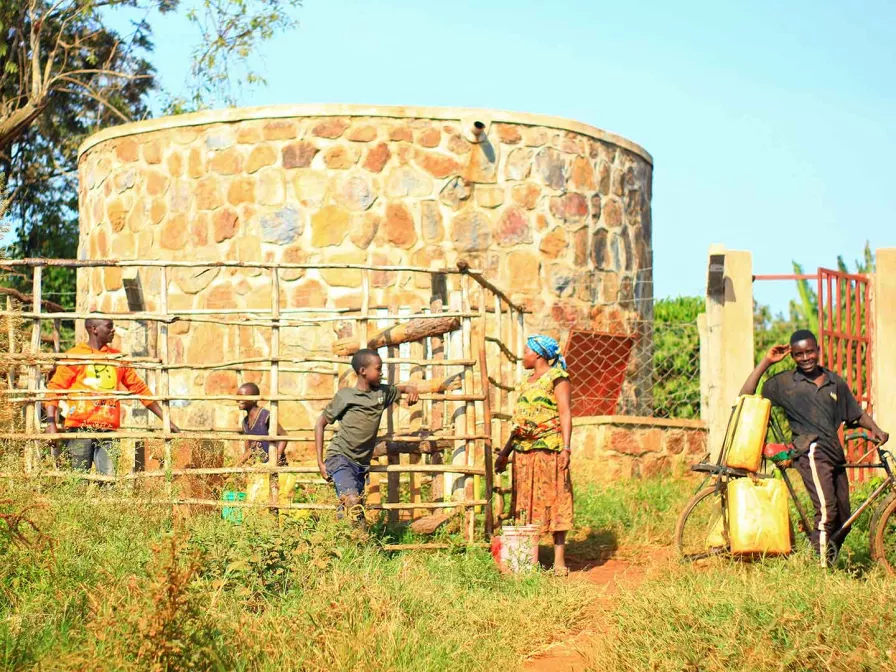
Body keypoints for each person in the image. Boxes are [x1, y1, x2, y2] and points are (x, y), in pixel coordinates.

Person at [740, 329, 888, 565]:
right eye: (799, 354)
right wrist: (767, 361)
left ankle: (820, 554)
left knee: (843, 518)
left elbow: (856, 413)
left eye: (809, 351)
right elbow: (746, 394)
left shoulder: (834, 382)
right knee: (827, 511)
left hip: (834, 452)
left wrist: (876, 429)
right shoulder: (786, 383)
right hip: (810, 451)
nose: (805, 358)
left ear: (818, 350)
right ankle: (819, 575)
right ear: (793, 357)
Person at [45, 318, 179, 475]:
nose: (113, 330)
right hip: (79, 428)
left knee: (110, 480)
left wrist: (165, 419)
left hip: (108, 430)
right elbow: (55, 388)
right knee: (77, 480)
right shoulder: (75, 356)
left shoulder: (117, 359)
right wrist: (51, 422)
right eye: (109, 326)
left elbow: (139, 388)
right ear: (94, 329)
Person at [495, 334, 574, 576]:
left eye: (527, 351)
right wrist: (505, 453)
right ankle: (528, 558)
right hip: (523, 453)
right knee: (525, 505)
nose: (523, 356)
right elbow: (517, 423)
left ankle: (559, 560)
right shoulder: (524, 383)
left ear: (539, 354)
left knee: (556, 500)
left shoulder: (557, 378)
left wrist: (566, 448)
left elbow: (565, 413)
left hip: (549, 449)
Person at [315, 348, 419, 525]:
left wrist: (411, 389)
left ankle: (344, 545)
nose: (381, 373)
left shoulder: (382, 394)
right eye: (378, 369)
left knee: (352, 512)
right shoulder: (346, 396)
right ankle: (357, 542)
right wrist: (320, 462)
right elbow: (320, 423)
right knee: (352, 502)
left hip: (361, 464)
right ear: (363, 371)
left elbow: (400, 388)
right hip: (340, 457)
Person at [234, 382, 288, 467]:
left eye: (242, 397)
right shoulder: (245, 422)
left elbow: (283, 436)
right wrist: (237, 466)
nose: (238, 400)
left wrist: (276, 458)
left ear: (254, 399)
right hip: (261, 468)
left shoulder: (265, 416)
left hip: (276, 468)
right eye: (238, 397)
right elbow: (249, 450)